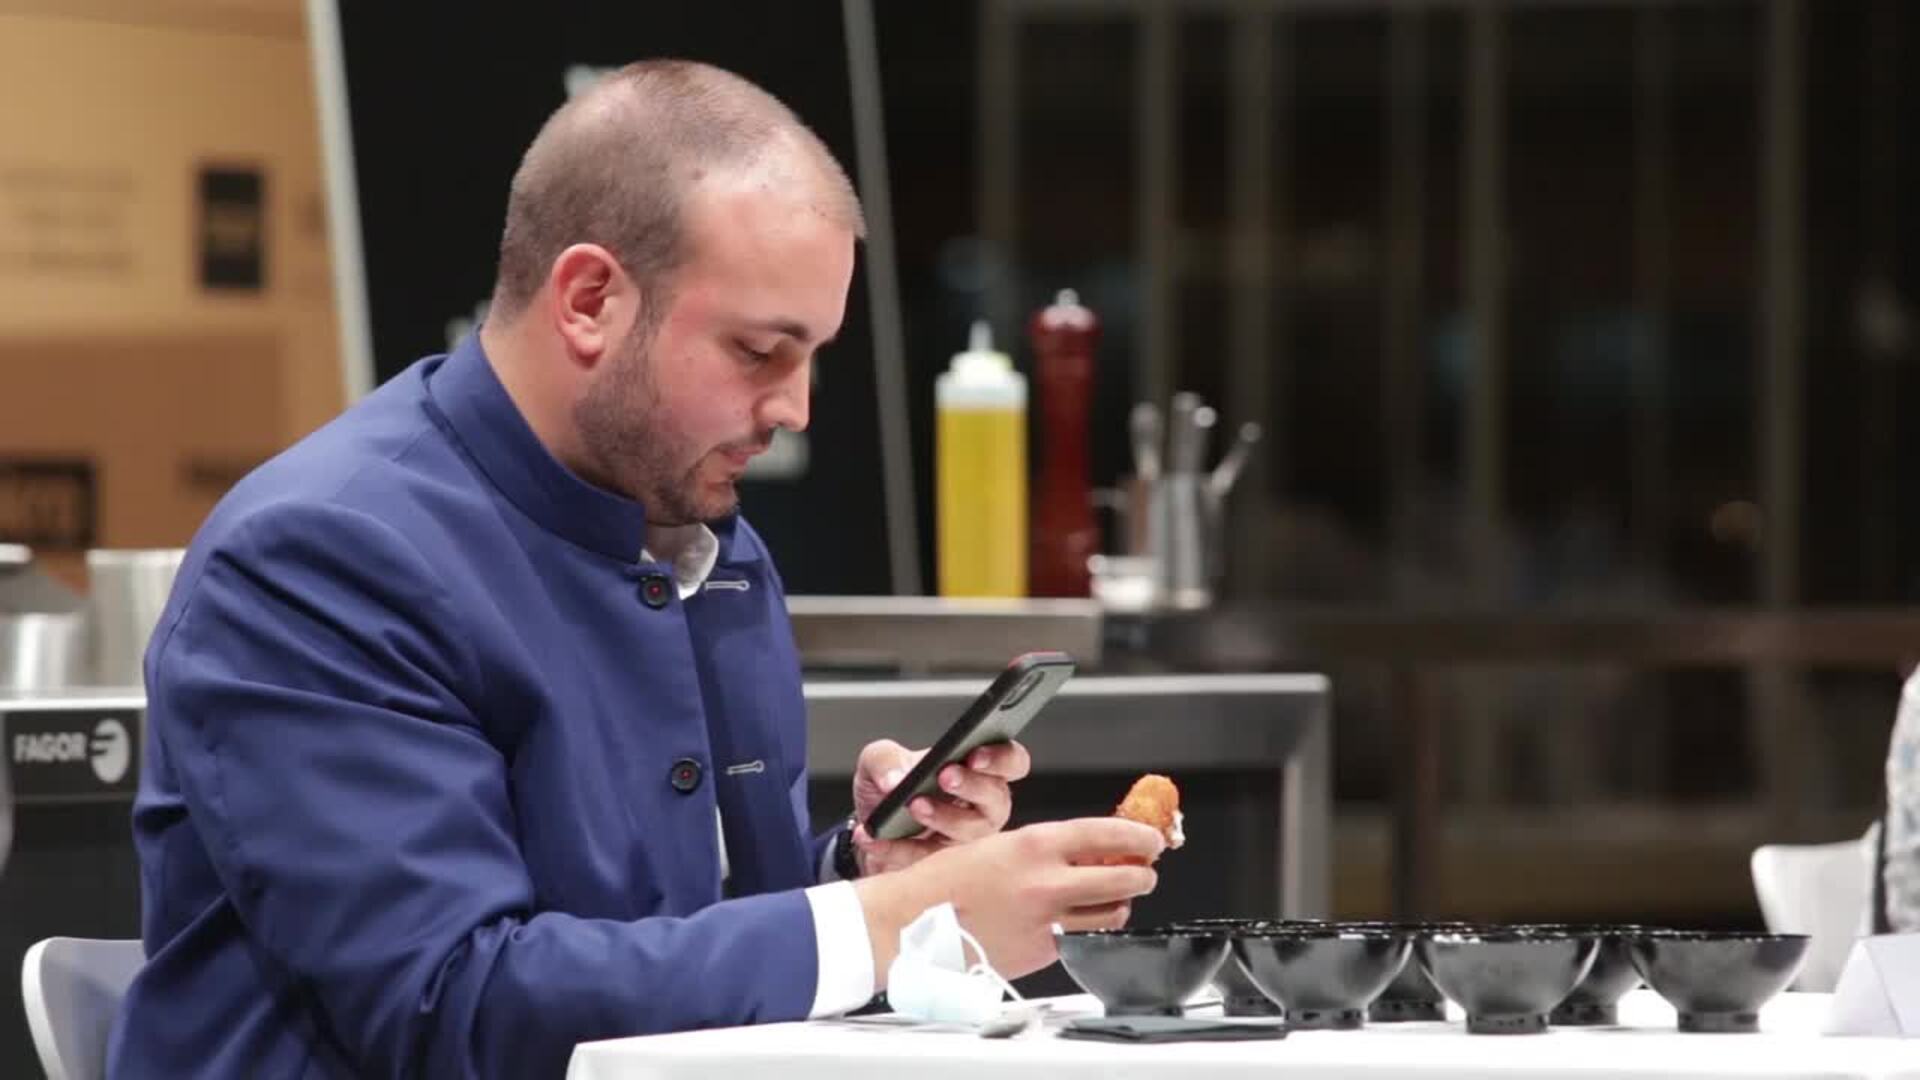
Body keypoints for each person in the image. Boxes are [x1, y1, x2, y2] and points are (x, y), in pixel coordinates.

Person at [109, 60, 1162, 1078]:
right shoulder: (324, 558)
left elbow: (680, 932)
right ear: (588, 301)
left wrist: (861, 868)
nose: (796, 410)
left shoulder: (707, 540)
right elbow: (450, 1008)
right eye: (760, 352)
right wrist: (883, 925)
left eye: (814, 357)